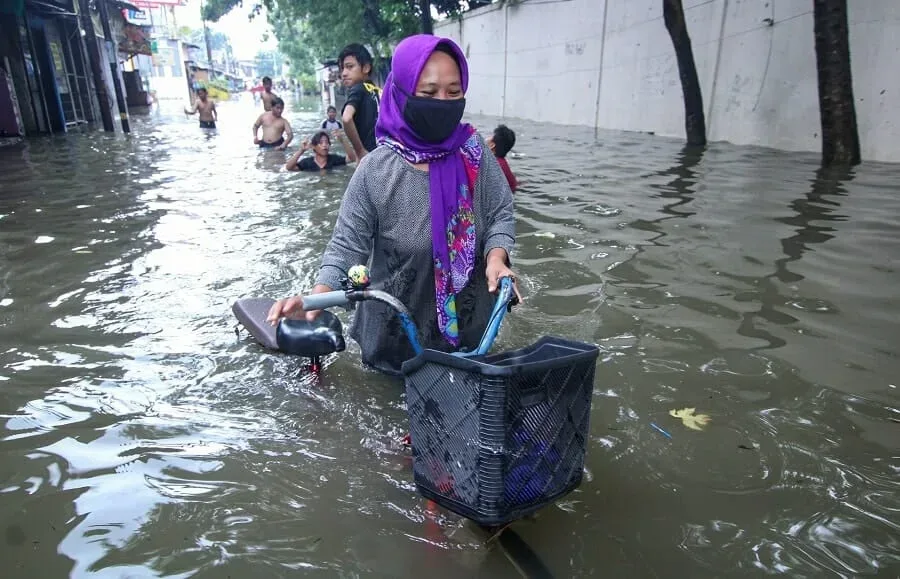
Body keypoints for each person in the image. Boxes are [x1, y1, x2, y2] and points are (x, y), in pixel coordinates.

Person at [267, 34, 518, 376]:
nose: (442, 102)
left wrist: (496, 258)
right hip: (394, 342)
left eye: (453, 91)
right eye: (428, 93)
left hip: (472, 339)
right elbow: (346, 245)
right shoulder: (376, 170)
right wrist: (315, 300)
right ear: (402, 94)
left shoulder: (474, 152)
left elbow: (500, 211)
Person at [338, 43, 381, 160]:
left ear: (366, 68)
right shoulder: (378, 91)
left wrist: (360, 151)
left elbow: (346, 118)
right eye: (342, 68)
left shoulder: (358, 88)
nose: (344, 73)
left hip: (369, 158)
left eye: (349, 66)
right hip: (386, 157)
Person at [285, 130, 357, 172]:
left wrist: (343, 140)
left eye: (327, 142)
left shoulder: (334, 159)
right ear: (313, 146)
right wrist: (301, 151)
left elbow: (352, 158)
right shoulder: (307, 163)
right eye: (321, 143)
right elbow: (289, 167)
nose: (324, 145)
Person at [487, 124, 518, 193]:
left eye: (490, 136)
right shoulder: (501, 163)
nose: (486, 138)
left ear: (492, 145)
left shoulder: (491, 164)